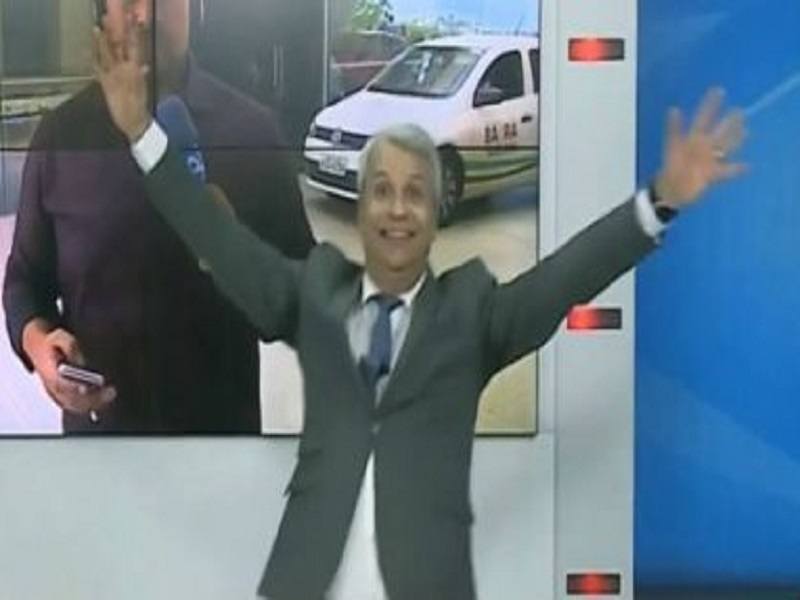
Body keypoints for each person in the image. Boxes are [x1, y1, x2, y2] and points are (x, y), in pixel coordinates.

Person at [93, 19, 746, 599]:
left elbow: (566, 275)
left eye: (415, 193)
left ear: (436, 215)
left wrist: (660, 199)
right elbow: (218, 240)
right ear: (362, 209)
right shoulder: (314, 294)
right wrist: (142, 134)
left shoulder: (474, 316)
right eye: (381, 190)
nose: (398, 208)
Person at [2, 0, 314, 433]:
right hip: (99, 444)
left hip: (220, 445)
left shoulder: (252, 133)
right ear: (104, 13)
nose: (146, 16)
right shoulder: (61, 134)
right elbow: (25, 279)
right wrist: (40, 345)